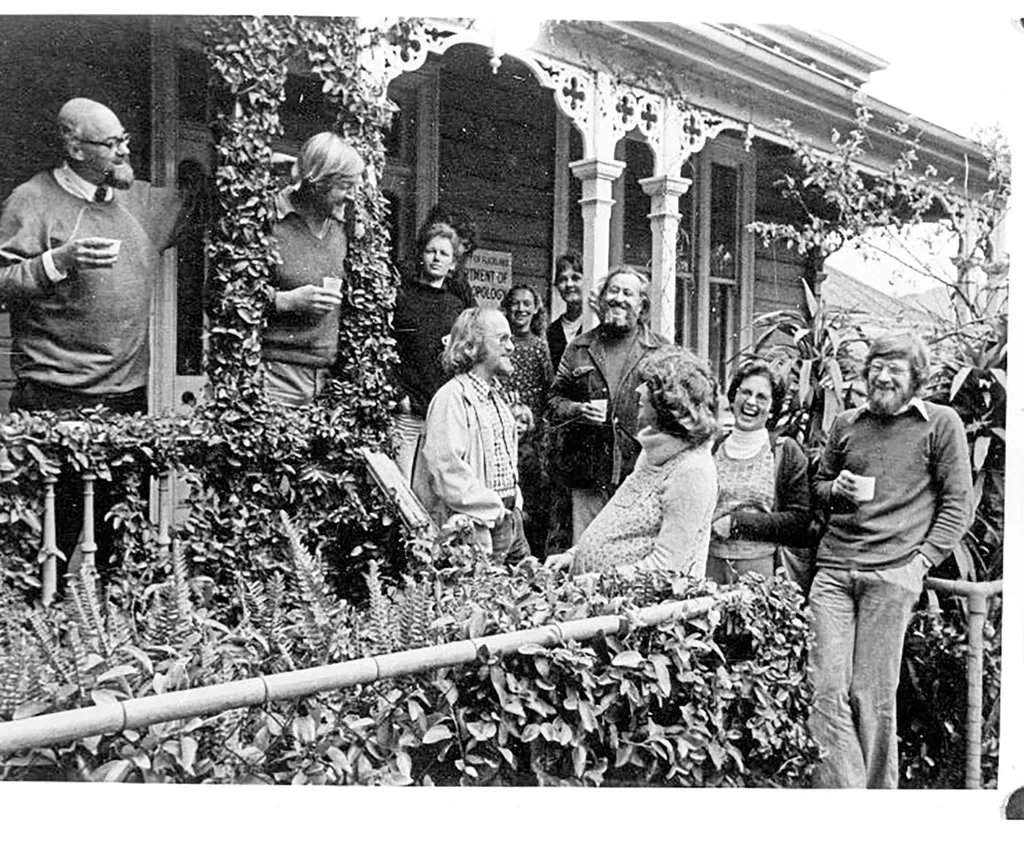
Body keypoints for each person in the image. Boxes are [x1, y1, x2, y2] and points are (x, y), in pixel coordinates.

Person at [0, 97, 185, 583]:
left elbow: (205, 205)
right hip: (53, 399)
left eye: (125, 140)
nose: (125, 152)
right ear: (74, 147)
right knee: (49, 542)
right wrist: (57, 262)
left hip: (126, 400)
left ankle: (109, 621)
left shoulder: (140, 202)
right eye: (111, 143)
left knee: (115, 536)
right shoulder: (31, 201)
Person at [808, 332, 973, 789]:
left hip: (892, 572)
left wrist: (918, 565)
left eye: (895, 369)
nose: (883, 376)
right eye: (876, 367)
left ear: (916, 378)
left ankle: (880, 803)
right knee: (823, 688)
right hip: (835, 571)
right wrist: (834, 489)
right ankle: (848, 796)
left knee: (872, 696)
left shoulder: (940, 424)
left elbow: (958, 505)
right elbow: (818, 488)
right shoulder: (847, 422)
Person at [543, 346, 718, 579]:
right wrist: (574, 555)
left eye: (647, 385)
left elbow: (668, 567)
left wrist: (597, 581)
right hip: (606, 595)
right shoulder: (654, 452)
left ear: (669, 402)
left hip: (641, 601)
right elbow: (617, 518)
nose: (638, 390)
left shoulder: (692, 472)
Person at [548, 265, 669, 543]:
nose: (619, 299)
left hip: (640, 475)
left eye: (628, 293)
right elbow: (554, 401)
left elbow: (673, 410)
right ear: (602, 300)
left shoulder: (661, 352)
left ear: (642, 305)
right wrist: (577, 410)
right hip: (588, 477)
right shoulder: (579, 348)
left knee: (629, 554)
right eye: (613, 291)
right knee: (585, 553)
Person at [412, 307, 529, 564]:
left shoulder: (496, 397)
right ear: (472, 347)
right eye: (502, 339)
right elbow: (445, 471)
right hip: (482, 525)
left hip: (510, 519)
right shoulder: (451, 398)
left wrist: (515, 506)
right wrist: (494, 509)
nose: (511, 347)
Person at [262, 132, 364, 407]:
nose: (351, 196)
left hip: (330, 379)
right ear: (318, 182)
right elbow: (228, 295)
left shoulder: (342, 228)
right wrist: (286, 301)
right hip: (277, 377)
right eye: (344, 186)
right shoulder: (270, 219)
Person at [707, 358, 812, 583]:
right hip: (710, 566)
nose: (751, 402)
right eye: (745, 392)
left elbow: (799, 520)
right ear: (733, 397)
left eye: (762, 397)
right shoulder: (711, 449)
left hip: (760, 570)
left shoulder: (785, 452)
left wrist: (737, 523)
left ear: (772, 407)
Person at [392, 221, 477, 481]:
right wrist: (400, 396)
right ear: (421, 255)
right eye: (431, 251)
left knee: (435, 486)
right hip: (408, 413)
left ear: (453, 264)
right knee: (400, 486)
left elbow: (466, 357)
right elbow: (386, 349)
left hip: (442, 414)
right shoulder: (402, 298)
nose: (436, 258)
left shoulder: (455, 307)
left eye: (444, 253)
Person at [500, 282, 554, 556]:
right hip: (501, 429)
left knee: (531, 495)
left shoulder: (539, 347)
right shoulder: (501, 345)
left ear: (535, 310)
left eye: (526, 304)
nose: (520, 309)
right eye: (515, 303)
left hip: (529, 434)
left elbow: (550, 389)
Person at [545, 252, 585, 371]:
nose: (569, 284)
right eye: (563, 279)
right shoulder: (550, 332)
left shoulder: (595, 324)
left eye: (575, 278)